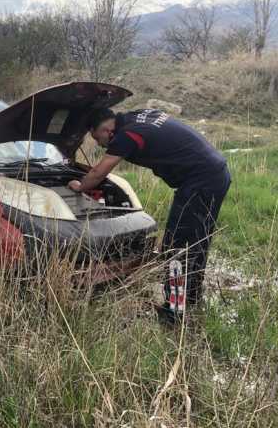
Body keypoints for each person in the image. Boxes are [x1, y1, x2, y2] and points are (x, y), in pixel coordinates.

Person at [68, 108, 231, 321]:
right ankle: (191, 297)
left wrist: (80, 187)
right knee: (198, 240)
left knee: (176, 245)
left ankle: (174, 311)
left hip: (199, 181)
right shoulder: (136, 117)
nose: (99, 144)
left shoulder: (125, 135)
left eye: (98, 138)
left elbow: (99, 172)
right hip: (216, 173)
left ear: (108, 130)